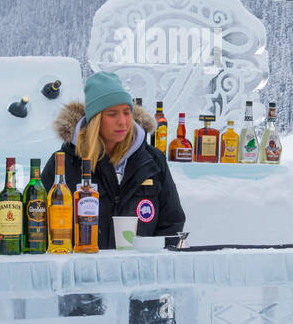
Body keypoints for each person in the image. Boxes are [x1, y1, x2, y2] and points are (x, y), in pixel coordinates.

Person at [41, 71, 185, 248]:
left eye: (126, 112)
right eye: (112, 114)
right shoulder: (62, 164)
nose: (123, 122)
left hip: (140, 272)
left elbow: (172, 221)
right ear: (95, 120)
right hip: (79, 271)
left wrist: (152, 260)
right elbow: (38, 222)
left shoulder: (153, 160)